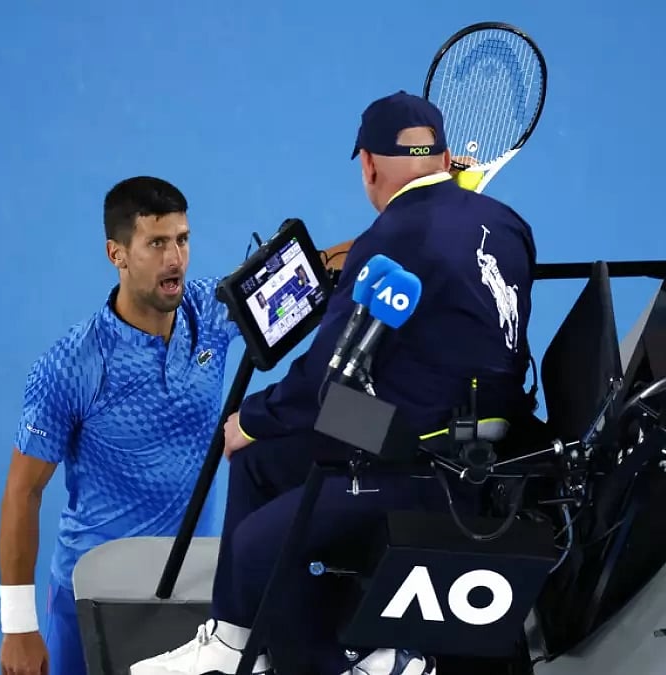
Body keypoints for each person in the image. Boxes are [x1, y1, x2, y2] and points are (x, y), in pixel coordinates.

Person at [129, 91, 538, 675]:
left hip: (419, 450)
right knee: (265, 458)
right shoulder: (506, 223)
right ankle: (231, 642)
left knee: (255, 536)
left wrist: (248, 419)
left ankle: (357, 663)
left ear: (370, 165)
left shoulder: (393, 240)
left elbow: (320, 381)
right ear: (445, 158)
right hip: (475, 428)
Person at [0, 176, 246, 675]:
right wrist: (19, 627)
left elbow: (315, 269)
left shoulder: (211, 312)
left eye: (182, 239)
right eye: (156, 243)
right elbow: (23, 493)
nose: (175, 258)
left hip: (191, 591)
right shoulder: (73, 364)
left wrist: (432, 190)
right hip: (96, 596)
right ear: (118, 254)